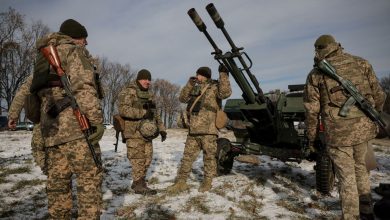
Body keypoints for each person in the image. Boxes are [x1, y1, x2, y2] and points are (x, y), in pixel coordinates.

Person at [304, 34, 386, 220]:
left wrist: (311, 136)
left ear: (318, 50)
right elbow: (379, 95)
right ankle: (367, 212)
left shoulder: (316, 74)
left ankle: (352, 217)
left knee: (346, 177)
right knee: (361, 170)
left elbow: (311, 110)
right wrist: (371, 115)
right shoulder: (361, 63)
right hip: (363, 130)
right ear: (336, 46)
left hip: (338, 134)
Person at [31, 19, 104, 219]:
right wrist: (96, 121)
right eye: (83, 38)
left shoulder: (42, 58)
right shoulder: (74, 51)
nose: (86, 43)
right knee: (89, 179)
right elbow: (84, 87)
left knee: (58, 185)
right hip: (75, 129)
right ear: (75, 37)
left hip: (51, 131)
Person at [167, 64, 231, 193]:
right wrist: (190, 84)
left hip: (208, 131)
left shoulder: (214, 87)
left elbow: (225, 93)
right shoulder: (195, 88)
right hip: (193, 130)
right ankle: (181, 182)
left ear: (205, 76)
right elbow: (182, 98)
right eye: (197, 74)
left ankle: (207, 181)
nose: (197, 77)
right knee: (187, 157)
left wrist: (223, 74)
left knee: (209, 157)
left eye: (199, 75)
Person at [117, 69, 167, 195]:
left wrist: (161, 129)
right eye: (145, 79)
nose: (148, 82)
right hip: (133, 132)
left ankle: (138, 181)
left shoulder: (149, 95)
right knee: (137, 159)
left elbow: (155, 114)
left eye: (149, 79)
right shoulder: (128, 91)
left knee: (148, 159)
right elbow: (123, 110)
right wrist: (143, 113)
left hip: (147, 132)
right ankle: (139, 185)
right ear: (139, 79)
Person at [8, 75, 46, 173]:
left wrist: (13, 116)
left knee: (38, 149)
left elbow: (22, 93)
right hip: (75, 120)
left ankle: (53, 175)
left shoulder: (41, 70)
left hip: (45, 120)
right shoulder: (75, 65)